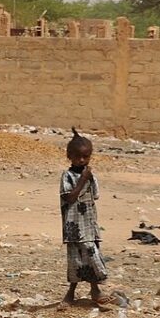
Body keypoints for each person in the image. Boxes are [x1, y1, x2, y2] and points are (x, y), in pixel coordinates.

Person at [59, 128, 110, 306]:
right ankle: (70, 293)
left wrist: (88, 178)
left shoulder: (90, 176)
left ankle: (95, 290)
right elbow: (70, 197)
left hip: (89, 225)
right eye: (78, 157)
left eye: (86, 157)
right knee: (75, 260)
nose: (82, 160)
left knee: (91, 255)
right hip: (73, 227)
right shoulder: (68, 176)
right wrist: (82, 179)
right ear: (69, 156)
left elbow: (94, 196)